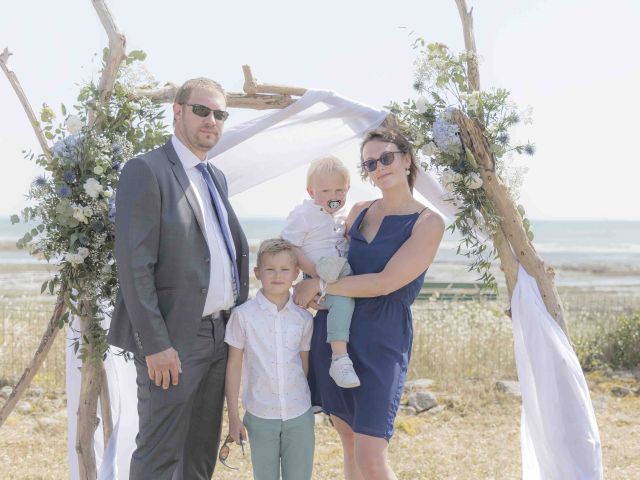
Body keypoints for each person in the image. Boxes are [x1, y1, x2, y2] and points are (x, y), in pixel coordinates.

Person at [108, 77, 249, 479]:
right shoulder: (145, 170)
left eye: (220, 114)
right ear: (178, 111)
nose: (211, 121)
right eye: (202, 111)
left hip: (219, 337)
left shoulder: (215, 177)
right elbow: (134, 267)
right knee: (159, 455)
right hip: (173, 342)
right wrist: (156, 345)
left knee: (199, 456)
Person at [294, 127, 444, 480]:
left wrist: (322, 285)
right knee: (348, 441)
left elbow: (384, 283)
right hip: (336, 336)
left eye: (387, 157)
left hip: (382, 338)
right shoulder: (358, 210)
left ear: (407, 159)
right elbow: (333, 256)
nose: (379, 167)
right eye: (370, 163)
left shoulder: (428, 222)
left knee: (371, 453)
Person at [224, 238, 315, 480]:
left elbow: (303, 366)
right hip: (260, 415)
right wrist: (233, 416)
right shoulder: (242, 316)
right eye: (270, 269)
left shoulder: (304, 319)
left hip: (299, 414)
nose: (278, 275)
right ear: (257, 272)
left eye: (285, 269)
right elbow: (233, 366)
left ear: (296, 273)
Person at [281, 156, 359, 388]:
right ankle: (339, 359)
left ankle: (320, 377)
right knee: (344, 302)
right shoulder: (303, 214)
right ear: (311, 191)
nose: (333, 196)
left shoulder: (342, 217)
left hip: (334, 274)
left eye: (339, 190)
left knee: (345, 301)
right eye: (324, 191)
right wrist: (316, 274)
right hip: (316, 272)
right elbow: (290, 246)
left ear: (348, 189)